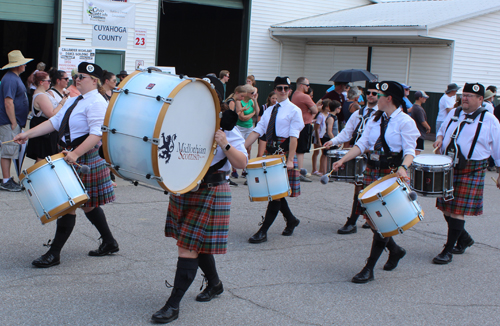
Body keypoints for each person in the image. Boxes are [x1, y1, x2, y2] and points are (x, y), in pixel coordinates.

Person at [151, 78, 248, 324]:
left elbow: (241, 164)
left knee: (188, 247)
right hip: (186, 189)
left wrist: (224, 143)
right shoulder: (184, 123)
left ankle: (172, 305)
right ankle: (215, 284)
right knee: (196, 244)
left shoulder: (227, 128)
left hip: (212, 189)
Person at [14, 62, 119, 267]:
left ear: (95, 81)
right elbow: (54, 122)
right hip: (72, 155)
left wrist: (76, 154)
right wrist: (26, 134)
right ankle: (109, 242)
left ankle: (54, 254)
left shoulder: (96, 101)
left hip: (83, 157)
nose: (77, 79)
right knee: (87, 205)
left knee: (68, 205)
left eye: (82, 77)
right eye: (76, 76)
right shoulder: (75, 99)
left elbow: (97, 133)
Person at [331, 81, 419, 283]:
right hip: (372, 170)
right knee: (371, 219)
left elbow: (409, 151)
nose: (374, 98)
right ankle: (395, 250)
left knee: (382, 220)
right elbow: (362, 144)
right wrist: (343, 159)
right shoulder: (375, 118)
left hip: (390, 174)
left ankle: (369, 268)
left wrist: (403, 167)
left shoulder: (405, 121)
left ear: (389, 98)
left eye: (379, 95)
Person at [432, 82, 500, 265]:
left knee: (457, 211)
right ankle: (464, 239)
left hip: (472, 169)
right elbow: (441, 131)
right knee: (446, 208)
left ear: (480, 99)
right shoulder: (454, 113)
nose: (466, 98)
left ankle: (448, 250)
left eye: (471, 96)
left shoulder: (490, 120)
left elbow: (498, 149)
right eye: (464, 94)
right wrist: (439, 139)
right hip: (449, 167)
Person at [245, 76, 304, 243]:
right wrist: (241, 149)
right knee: (276, 192)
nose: (283, 91)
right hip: (271, 154)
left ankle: (263, 231)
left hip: (284, 154)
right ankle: (291, 220)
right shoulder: (270, 110)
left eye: (286, 88)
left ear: (290, 90)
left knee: (275, 195)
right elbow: (258, 131)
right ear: (275, 90)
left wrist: (291, 160)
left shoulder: (294, 110)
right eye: (280, 88)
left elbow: (294, 137)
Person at [324, 82, 379, 234]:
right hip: (358, 154)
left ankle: (371, 218)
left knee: (373, 190)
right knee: (359, 188)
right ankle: (353, 222)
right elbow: (347, 133)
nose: (371, 95)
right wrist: (333, 141)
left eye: (375, 93)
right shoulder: (359, 113)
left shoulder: (382, 114)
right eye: (369, 92)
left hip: (375, 156)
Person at [0, 50, 33, 192]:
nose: (25, 65)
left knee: (10, 150)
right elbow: (9, 102)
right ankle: (6, 180)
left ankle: (7, 179)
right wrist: (13, 121)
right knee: (7, 150)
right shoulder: (10, 79)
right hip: (9, 122)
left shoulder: (12, 78)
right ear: (17, 65)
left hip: (13, 121)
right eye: (23, 63)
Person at [25, 71, 67, 162]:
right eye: (48, 81)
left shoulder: (43, 93)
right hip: (43, 128)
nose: (50, 83)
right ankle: (38, 176)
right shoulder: (41, 96)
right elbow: (51, 113)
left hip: (44, 127)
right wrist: (62, 102)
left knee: (44, 156)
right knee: (42, 156)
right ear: (41, 82)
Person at [291, 76, 317, 182]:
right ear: (301, 86)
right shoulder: (304, 97)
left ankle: (296, 170)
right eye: (307, 85)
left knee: (297, 148)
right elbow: (315, 110)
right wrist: (316, 107)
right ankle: (299, 172)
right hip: (304, 125)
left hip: (297, 124)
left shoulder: (294, 95)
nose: (308, 87)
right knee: (301, 150)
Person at [312, 99, 330, 176]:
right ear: (326, 107)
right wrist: (318, 139)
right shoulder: (320, 116)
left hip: (324, 136)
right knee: (316, 152)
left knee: (323, 153)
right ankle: (314, 169)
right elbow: (317, 128)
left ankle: (321, 169)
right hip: (318, 136)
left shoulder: (328, 114)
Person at [410, 91, 432, 155]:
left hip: (416, 133)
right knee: (417, 152)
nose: (425, 99)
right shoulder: (418, 109)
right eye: (424, 98)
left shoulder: (414, 107)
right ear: (420, 98)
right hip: (419, 134)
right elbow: (422, 121)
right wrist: (428, 127)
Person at [257, 91, 277, 157]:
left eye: (276, 98)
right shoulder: (264, 107)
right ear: (269, 98)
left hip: (272, 133)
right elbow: (259, 120)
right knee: (260, 153)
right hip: (264, 133)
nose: (274, 100)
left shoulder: (278, 108)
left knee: (269, 153)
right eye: (273, 98)